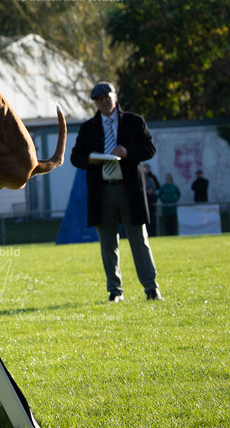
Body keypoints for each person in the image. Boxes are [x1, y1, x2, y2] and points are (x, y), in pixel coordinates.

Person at [71, 82, 163, 302]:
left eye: (107, 97)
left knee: (139, 240)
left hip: (129, 190)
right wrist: (89, 158)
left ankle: (151, 288)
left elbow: (150, 148)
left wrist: (127, 151)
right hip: (102, 191)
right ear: (95, 103)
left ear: (115, 97)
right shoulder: (88, 127)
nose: (104, 102)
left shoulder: (134, 121)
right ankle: (115, 291)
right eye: (99, 99)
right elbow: (75, 157)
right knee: (108, 243)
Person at [143, 164, 160, 236]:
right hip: (144, 201)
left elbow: (156, 187)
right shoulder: (139, 180)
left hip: (151, 202)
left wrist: (151, 190)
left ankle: (153, 234)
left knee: (152, 220)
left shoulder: (151, 179)